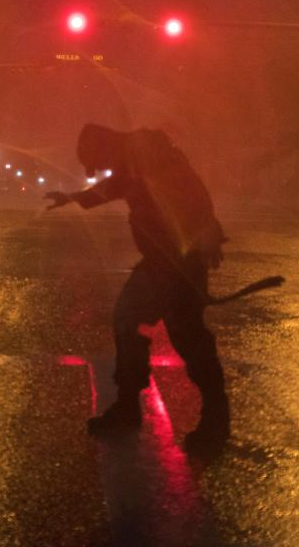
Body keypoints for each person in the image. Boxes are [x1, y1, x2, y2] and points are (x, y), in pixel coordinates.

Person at [45, 123, 231, 451]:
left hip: (177, 262)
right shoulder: (132, 162)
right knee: (140, 323)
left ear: (103, 146)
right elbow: (113, 187)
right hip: (163, 260)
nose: (98, 170)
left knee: (182, 335)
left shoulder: (146, 155)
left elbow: (191, 191)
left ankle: (208, 419)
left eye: (95, 162)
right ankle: (136, 407)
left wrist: (205, 229)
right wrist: (72, 198)